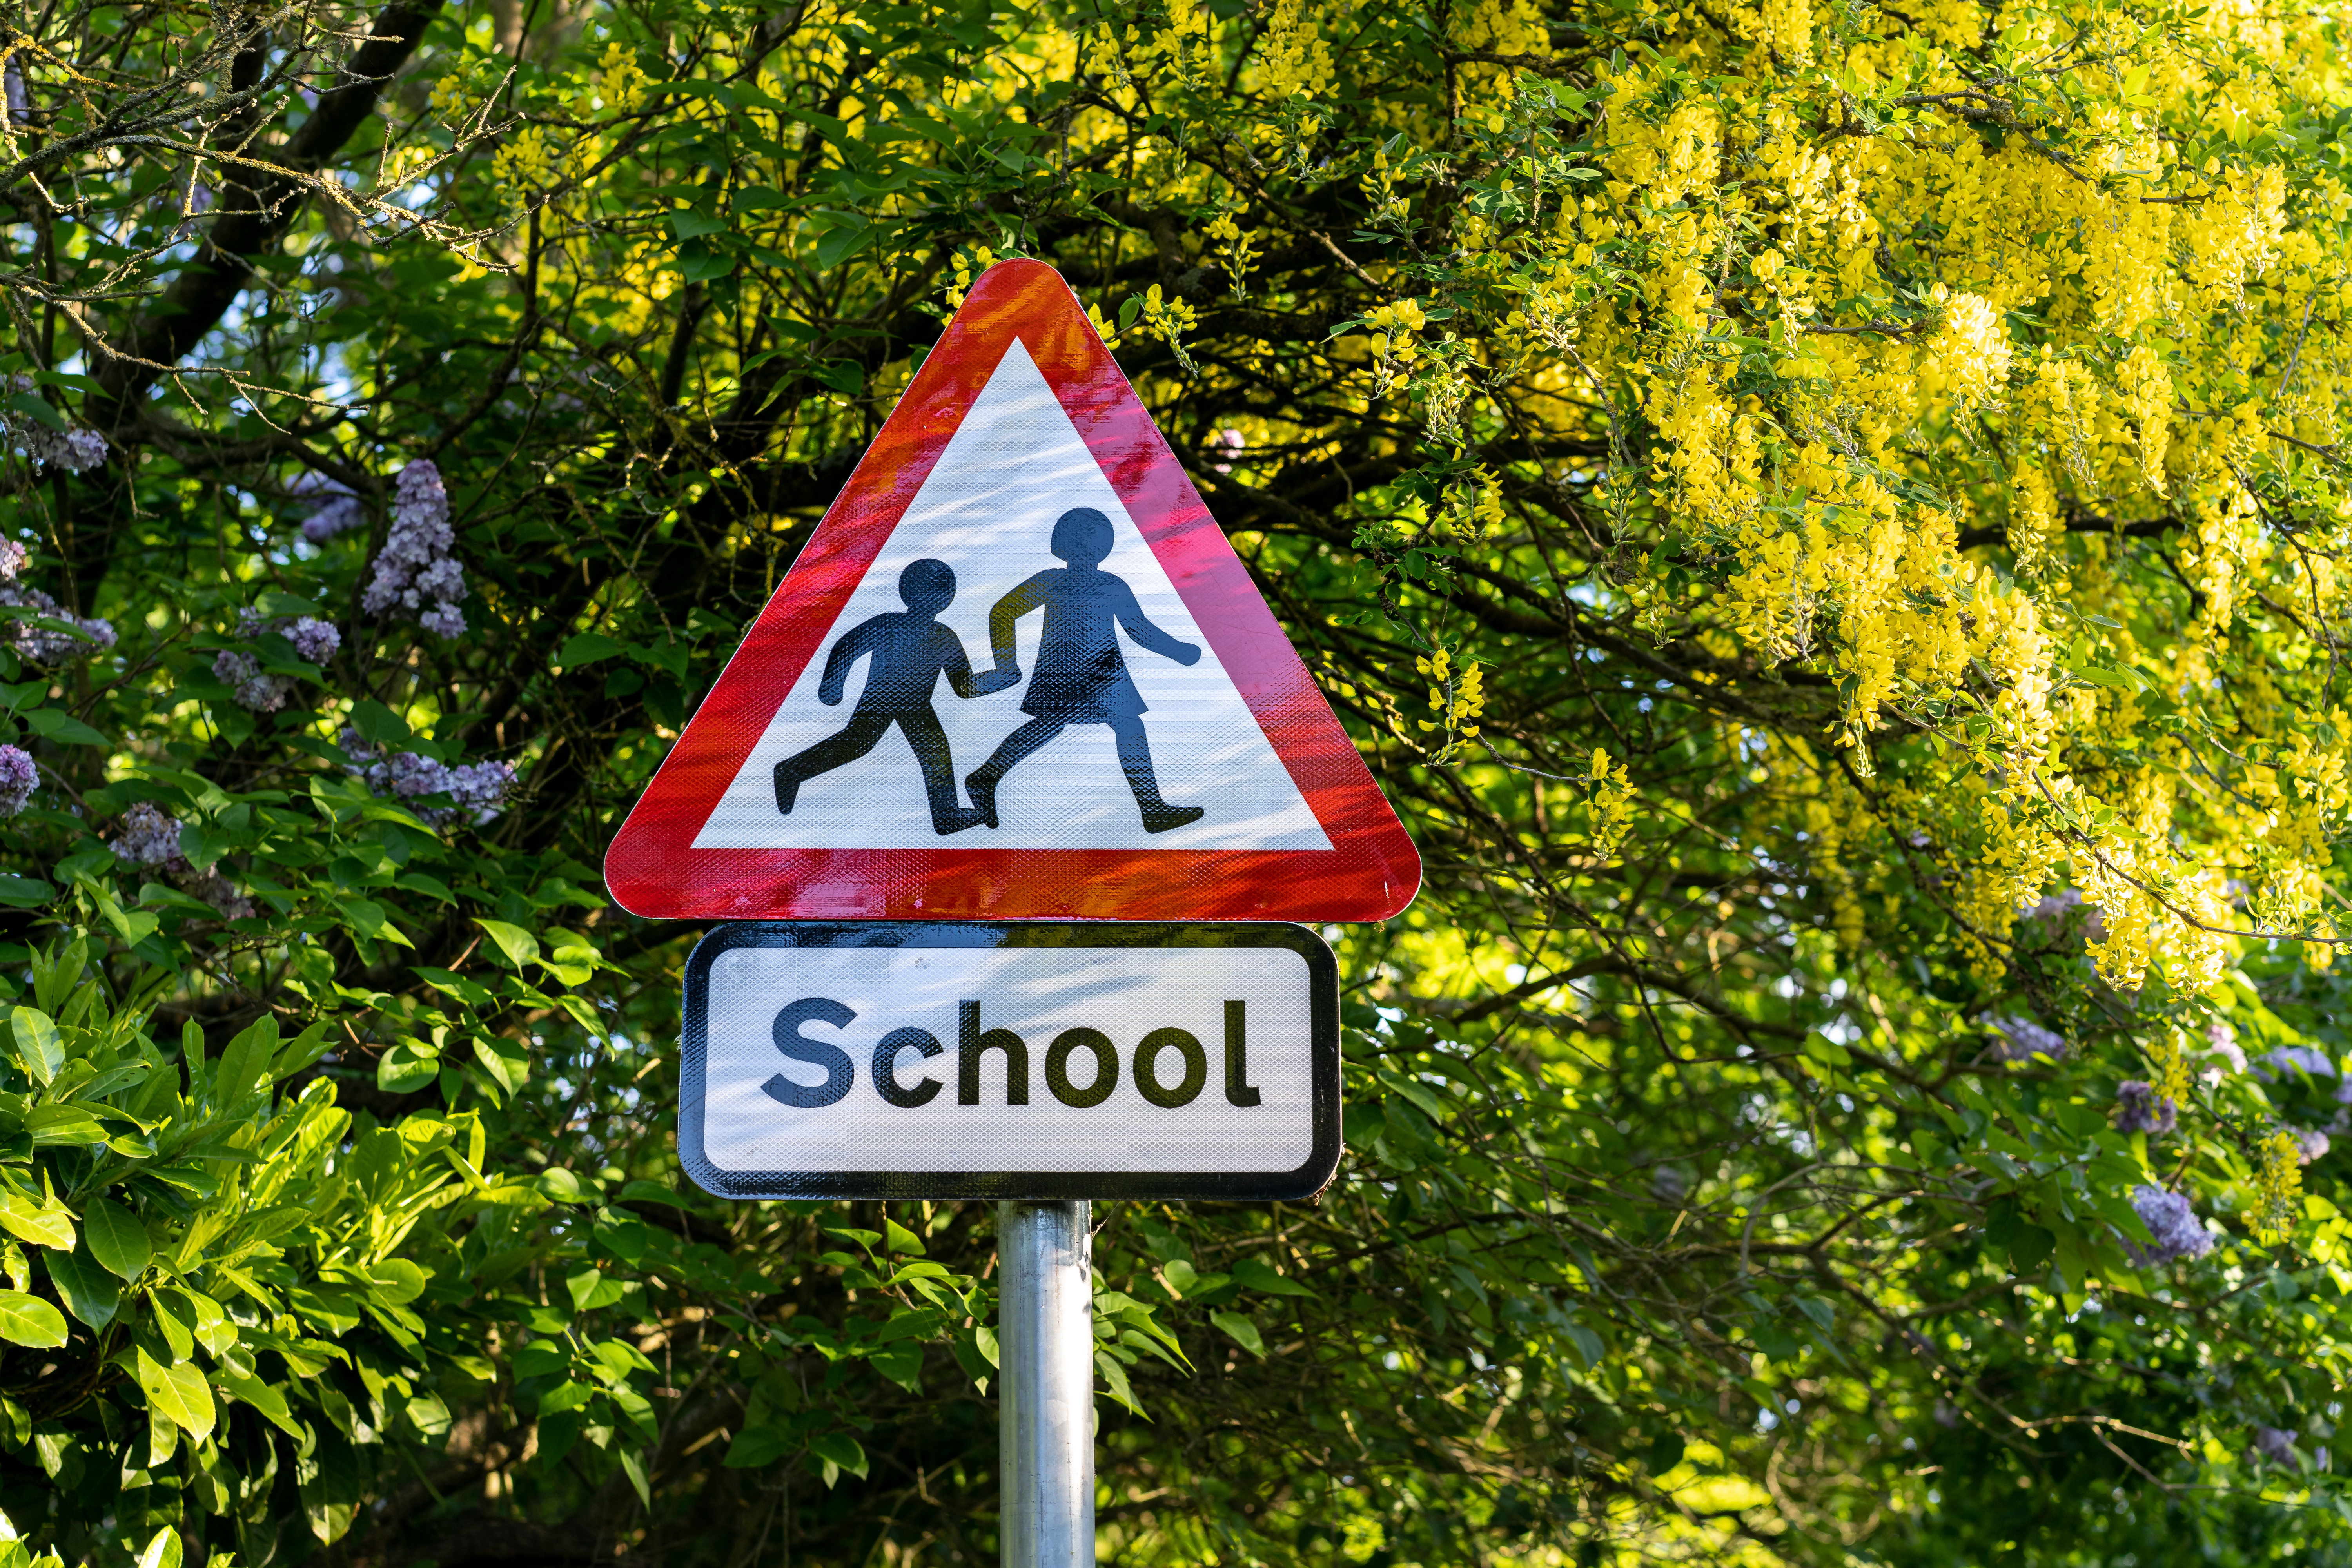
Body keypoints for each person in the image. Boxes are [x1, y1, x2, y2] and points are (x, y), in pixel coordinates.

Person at [966, 506, 1206, 834]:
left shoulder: (1107, 585)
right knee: (1073, 723)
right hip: (1066, 669)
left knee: (1105, 725)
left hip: (1104, 672)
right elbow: (1003, 613)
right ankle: (986, 776)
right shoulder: (1054, 581)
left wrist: (1178, 651)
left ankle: (1152, 809)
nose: (1087, 549)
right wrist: (1007, 665)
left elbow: (1139, 630)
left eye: (1092, 542)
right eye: (1083, 541)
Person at [772, 557, 1013, 833]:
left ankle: (946, 815)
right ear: (949, 597)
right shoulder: (891, 625)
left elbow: (964, 686)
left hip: (916, 705)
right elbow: (846, 647)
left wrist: (1000, 679)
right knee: (858, 744)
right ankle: (790, 771)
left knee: (935, 753)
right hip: (881, 699)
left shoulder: (943, 637)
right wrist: (831, 687)